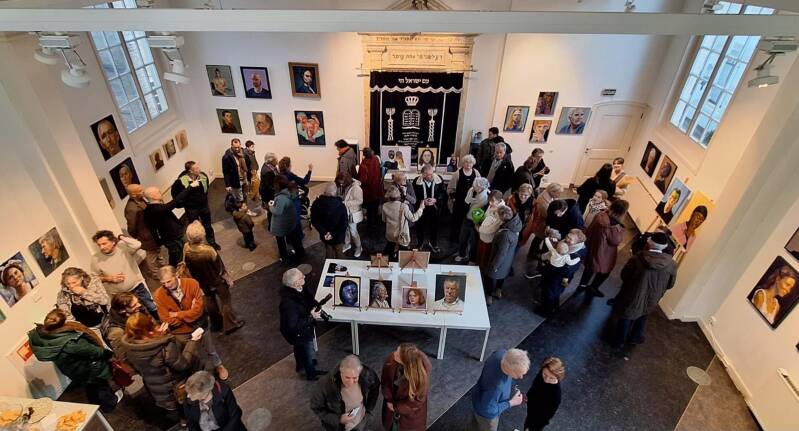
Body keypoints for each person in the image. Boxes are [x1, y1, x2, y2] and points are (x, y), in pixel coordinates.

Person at [29, 309, 121, 413]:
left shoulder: (42, 336)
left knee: (89, 386)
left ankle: (94, 404)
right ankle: (110, 404)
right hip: (89, 368)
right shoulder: (70, 342)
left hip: (72, 370)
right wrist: (109, 354)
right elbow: (93, 351)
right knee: (100, 385)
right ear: (61, 324)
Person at [154, 265, 230, 381]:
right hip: (181, 332)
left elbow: (198, 312)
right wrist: (189, 313)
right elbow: (166, 319)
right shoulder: (159, 295)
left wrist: (177, 314)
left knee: (210, 349)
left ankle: (218, 365)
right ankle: (201, 376)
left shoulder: (192, 284)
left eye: (169, 281)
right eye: (163, 283)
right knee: (192, 356)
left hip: (200, 324)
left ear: (176, 275)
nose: (166, 285)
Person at [121, 312, 202, 413]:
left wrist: (159, 335)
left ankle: (184, 422)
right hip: (176, 387)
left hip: (157, 390)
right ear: (148, 330)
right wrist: (193, 341)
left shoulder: (129, 348)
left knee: (180, 411)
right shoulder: (164, 347)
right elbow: (183, 365)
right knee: (189, 409)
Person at [612, 232, 677, 350]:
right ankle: (635, 337)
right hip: (654, 296)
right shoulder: (671, 264)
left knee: (627, 315)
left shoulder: (638, 258)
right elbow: (670, 284)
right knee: (644, 314)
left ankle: (619, 341)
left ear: (649, 243)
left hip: (633, 294)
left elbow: (624, 275)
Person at [183, 221, 246, 335]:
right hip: (216, 281)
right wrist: (228, 279)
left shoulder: (186, 248)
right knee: (225, 301)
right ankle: (230, 325)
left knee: (209, 300)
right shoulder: (209, 250)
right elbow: (220, 268)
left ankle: (216, 324)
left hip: (201, 282)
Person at [90, 230, 159, 319]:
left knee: (151, 306)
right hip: (120, 295)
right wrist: (109, 278)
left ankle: (161, 324)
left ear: (113, 242)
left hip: (136, 287)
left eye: (104, 243)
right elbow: (94, 278)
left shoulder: (123, 248)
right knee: (135, 315)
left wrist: (121, 237)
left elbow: (137, 244)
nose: (101, 247)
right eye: (99, 245)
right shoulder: (96, 259)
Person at [279, 268, 327, 380]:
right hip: (299, 332)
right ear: (295, 283)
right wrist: (311, 317)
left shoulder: (299, 289)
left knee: (300, 349)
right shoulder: (288, 304)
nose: (304, 277)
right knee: (307, 350)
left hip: (302, 329)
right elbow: (292, 326)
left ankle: (300, 365)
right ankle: (311, 373)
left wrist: (315, 305)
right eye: (301, 277)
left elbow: (309, 299)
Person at [310, 355, 380, 431]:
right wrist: (338, 419)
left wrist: (369, 409)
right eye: (347, 377)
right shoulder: (325, 385)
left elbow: (375, 386)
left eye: (355, 378)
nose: (350, 382)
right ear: (340, 373)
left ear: (359, 373)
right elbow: (316, 407)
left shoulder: (367, 375)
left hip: (361, 422)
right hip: (338, 428)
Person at [468, 348, 530, 431]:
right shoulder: (496, 387)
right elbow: (487, 410)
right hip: (486, 415)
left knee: (475, 424)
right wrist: (511, 403)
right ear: (509, 369)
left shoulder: (500, 354)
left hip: (477, 395)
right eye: (518, 375)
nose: (521, 377)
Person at [580, 200, 629, 297]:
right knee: (605, 271)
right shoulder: (615, 227)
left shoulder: (600, 216)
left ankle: (582, 285)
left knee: (589, 268)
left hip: (593, 246)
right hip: (605, 253)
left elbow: (590, 229)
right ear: (623, 213)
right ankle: (593, 287)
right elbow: (616, 241)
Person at [381, 343, 432, 431]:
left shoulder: (420, 377)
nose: (394, 353)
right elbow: (385, 381)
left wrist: (396, 407)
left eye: (398, 353)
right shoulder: (391, 360)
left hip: (410, 418)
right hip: (391, 408)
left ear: (405, 361)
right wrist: (389, 400)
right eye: (397, 350)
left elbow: (417, 401)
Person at [171, 161, 221, 249]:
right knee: (195, 228)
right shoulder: (180, 182)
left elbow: (206, 188)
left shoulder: (203, 177)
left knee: (208, 226)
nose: (199, 169)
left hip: (204, 206)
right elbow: (175, 195)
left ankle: (212, 242)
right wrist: (184, 203)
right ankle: (198, 245)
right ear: (190, 171)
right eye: (196, 168)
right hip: (191, 209)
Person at [144, 185, 193, 266]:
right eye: (158, 192)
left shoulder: (150, 208)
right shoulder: (156, 209)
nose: (160, 193)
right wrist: (190, 187)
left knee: (174, 255)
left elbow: (152, 227)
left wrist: (159, 241)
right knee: (180, 257)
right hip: (173, 237)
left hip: (170, 236)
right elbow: (175, 202)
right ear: (153, 196)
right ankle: (180, 273)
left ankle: (172, 268)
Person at [124, 184, 164, 287]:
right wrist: (139, 236)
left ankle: (163, 266)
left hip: (153, 232)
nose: (143, 191)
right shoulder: (131, 209)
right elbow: (132, 227)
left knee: (157, 251)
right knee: (151, 256)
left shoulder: (142, 199)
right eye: (140, 190)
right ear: (133, 194)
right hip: (146, 236)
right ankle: (156, 274)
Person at [485, 206, 521, 305]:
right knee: (503, 274)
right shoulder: (516, 222)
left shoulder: (505, 235)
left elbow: (501, 253)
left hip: (500, 260)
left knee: (490, 277)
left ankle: (489, 295)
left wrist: (494, 266)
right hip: (508, 259)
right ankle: (498, 290)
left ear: (502, 218)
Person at [269, 175, 306, 265]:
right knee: (296, 240)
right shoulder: (291, 192)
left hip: (282, 224)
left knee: (281, 242)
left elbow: (277, 211)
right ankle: (300, 254)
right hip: (292, 221)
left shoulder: (281, 197)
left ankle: (285, 259)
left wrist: (271, 207)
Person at [382, 186, 426, 259]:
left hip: (390, 233)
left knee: (390, 249)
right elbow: (413, 218)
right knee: (403, 254)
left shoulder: (385, 205)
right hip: (402, 234)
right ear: (399, 196)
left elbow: (384, 219)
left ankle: (391, 260)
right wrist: (421, 208)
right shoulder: (403, 206)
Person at [455, 177, 490, 263]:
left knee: (474, 242)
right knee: (463, 238)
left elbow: (485, 211)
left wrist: (478, 222)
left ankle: (472, 259)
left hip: (476, 221)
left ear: (481, 188)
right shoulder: (471, 190)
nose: (473, 188)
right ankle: (462, 254)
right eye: (474, 186)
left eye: (476, 187)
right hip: (467, 218)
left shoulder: (487, 196)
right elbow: (466, 202)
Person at [524, 357, 565, 431]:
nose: (546, 380)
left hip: (538, 420)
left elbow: (545, 417)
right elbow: (534, 386)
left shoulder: (556, 396)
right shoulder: (541, 374)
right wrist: (528, 397)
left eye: (551, 378)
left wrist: (531, 428)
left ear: (558, 377)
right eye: (545, 375)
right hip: (531, 411)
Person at [413, 164, 446, 253]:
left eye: (432, 173)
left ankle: (433, 243)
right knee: (419, 226)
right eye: (428, 175)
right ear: (423, 175)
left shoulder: (439, 179)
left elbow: (443, 193)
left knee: (434, 227)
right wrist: (422, 201)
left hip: (434, 208)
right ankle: (420, 243)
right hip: (421, 207)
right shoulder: (416, 181)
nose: (431, 176)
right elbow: (414, 196)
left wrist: (436, 199)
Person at [447, 154, 481, 240]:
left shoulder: (476, 173)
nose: (468, 164)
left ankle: (465, 238)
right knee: (457, 221)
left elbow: (480, 186)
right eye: (466, 162)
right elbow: (450, 188)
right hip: (459, 201)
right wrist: (454, 198)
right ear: (463, 163)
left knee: (468, 220)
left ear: (473, 164)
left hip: (471, 202)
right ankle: (454, 237)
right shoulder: (457, 173)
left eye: (470, 162)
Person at [311, 183, 349, 259]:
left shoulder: (316, 203)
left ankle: (328, 267)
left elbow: (314, 220)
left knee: (328, 250)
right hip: (337, 236)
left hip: (325, 236)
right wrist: (333, 234)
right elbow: (344, 224)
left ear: (325, 192)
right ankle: (339, 269)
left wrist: (324, 233)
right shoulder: (341, 206)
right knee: (339, 253)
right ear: (334, 193)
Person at [477, 191, 508, 274]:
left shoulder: (501, 211)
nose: (490, 203)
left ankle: (481, 274)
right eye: (489, 200)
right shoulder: (492, 205)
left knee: (484, 259)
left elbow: (493, 228)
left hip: (489, 239)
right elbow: (486, 215)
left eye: (493, 201)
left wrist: (479, 228)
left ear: (499, 200)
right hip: (482, 236)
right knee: (479, 256)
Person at [337, 172, 364, 257]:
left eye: (342, 182)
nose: (341, 184)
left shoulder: (356, 188)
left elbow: (360, 201)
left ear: (347, 180)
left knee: (353, 231)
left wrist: (346, 203)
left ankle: (359, 247)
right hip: (346, 212)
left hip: (352, 212)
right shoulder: (346, 185)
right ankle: (347, 244)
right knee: (346, 230)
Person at [222, 139, 253, 207]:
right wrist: (227, 185)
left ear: (240, 145)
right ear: (231, 146)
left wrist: (249, 177)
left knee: (245, 195)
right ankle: (240, 213)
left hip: (245, 178)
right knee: (239, 198)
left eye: (238, 147)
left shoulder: (244, 153)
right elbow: (225, 171)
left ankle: (245, 209)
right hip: (236, 180)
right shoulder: (227, 157)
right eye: (234, 147)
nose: (236, 149)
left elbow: (249, 165)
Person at [358, 148, 383, 229]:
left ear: (364, 155)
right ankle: (375, 223)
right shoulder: (376, 159)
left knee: (369, 210)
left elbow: (363, 180)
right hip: (377, 188)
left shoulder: (364, 164)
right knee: (375, 207)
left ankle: (370, 226)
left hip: (368, 191)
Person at [506, 183, 534, 248]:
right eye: (521, 194)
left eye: (526, 195)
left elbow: (533, 216)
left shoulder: (533, 203)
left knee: (518, 241)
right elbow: (507, 211)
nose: (523, 196)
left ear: (530, 195)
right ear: (518, 192)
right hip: (512, 223)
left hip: (523, 225)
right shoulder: (512, 199)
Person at [259, 152, 280, 227]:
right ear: (271, 161)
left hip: (269, 191)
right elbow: (269, 186)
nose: (277, 160)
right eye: (275, 159)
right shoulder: (268, 171)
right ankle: (271, 226)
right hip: (268, 194)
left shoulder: (270, 167)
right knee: (271, 209)